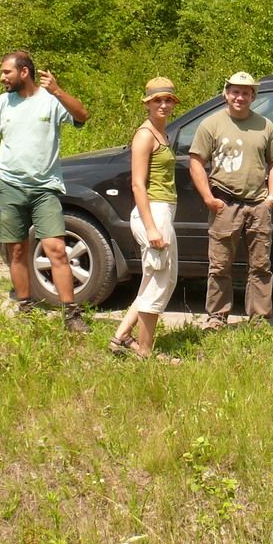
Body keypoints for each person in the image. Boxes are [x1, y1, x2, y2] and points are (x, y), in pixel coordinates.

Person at [0, 50, 91, 334]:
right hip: (11, 187)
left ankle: (71, 314)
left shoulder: (50, 101)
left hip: (45, 189)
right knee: (16, 250)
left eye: (6, 72)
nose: (2, 78)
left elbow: (82, 116)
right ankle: (25, 308)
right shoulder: (2, 103)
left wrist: (59, 91)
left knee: (57, 251)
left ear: (23, 72)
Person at [188, 71, 273, 330]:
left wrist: (271, 199)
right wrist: (209, 199)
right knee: (219, 265)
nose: (239, 97)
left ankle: (260, 320)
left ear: (253, 96)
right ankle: (217, 317)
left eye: (245, 92)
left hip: (258, 204)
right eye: (235, 91)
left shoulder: (266, 126)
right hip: (224, 204)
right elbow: (196, 162)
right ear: (226, 94)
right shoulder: (211, 124)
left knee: (261, 266)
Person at [110, 78, 181, 360]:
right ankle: (145, 353)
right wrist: (152, 227)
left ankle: (120, 338)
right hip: (153, 212)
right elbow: (138, 184)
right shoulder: (145, 135)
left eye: (168, 100)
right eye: (157, 100)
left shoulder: (162, 133)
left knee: (153, 280)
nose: (163, 105)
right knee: (162, 282)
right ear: (147, 103)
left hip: (162, 211)